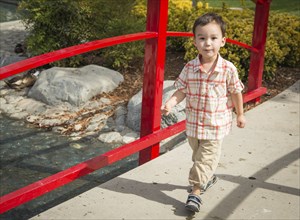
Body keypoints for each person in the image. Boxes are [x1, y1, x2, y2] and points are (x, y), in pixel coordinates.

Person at [161, 12, 246, 213]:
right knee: (198, 156)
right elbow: (182, 90)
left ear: (223, 41)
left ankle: (195, 192)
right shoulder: (190, 67)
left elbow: (236, 92)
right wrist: (170, 103)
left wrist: (240, 114)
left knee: (204, 158)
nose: (208, 43)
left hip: (216, 125)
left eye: (213, 38)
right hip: (194, 125)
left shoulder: (228, 69)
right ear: (195, 42)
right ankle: (207, 177)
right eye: (202, 38)